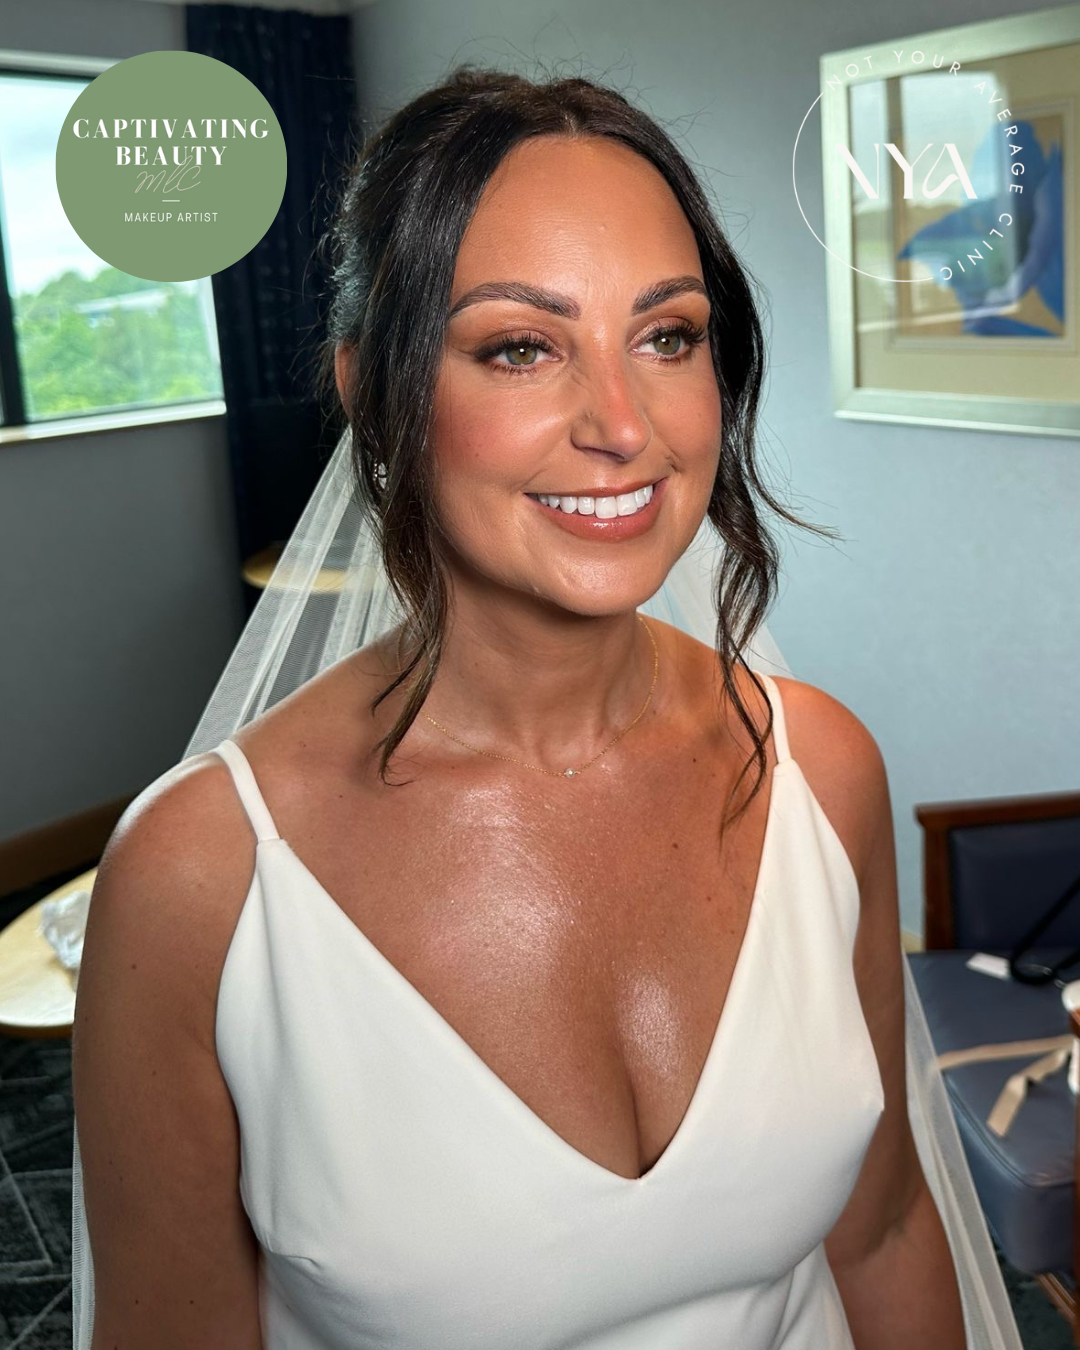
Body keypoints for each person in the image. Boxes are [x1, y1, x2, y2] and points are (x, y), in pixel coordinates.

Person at [71, 66, 1000, 1350]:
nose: (624, 425)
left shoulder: (818, 767)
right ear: (373, 390)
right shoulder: (200, 882)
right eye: (520, 346)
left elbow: (887, 1231)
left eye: (667, 337)